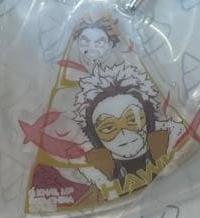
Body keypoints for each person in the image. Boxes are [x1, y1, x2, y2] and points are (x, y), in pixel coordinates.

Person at [72, 63, 185, 201]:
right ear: (94, 136)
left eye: (132, 120)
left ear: (148, 119)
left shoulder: (172, 143)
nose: (124, 134)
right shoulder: (93, 173)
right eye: (109, 127)